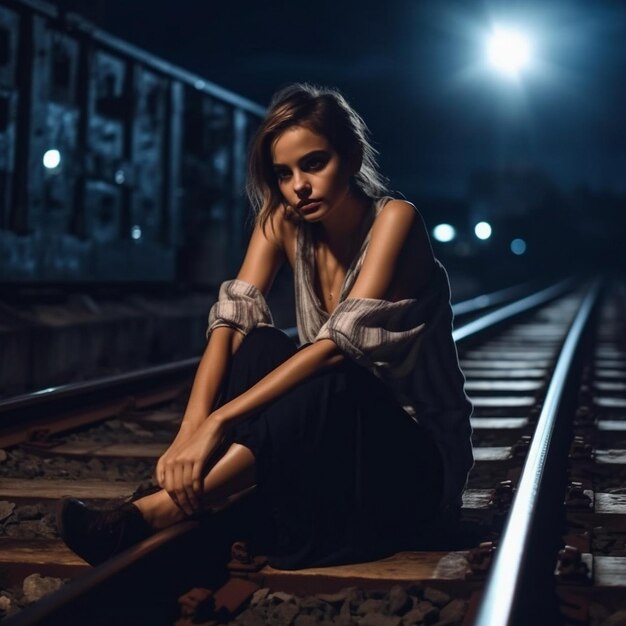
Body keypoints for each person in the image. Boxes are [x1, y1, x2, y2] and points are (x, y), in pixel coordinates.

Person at [57, 83, 473, 569]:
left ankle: (159, 509)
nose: (299, 185)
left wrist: (220, 421)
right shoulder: (283, 221)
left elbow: (340, 346)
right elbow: (231, 319)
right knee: (259, 344)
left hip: (412, 474)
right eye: (283, 173)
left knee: (330, 371)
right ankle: (189, 490)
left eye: (314, 163)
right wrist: (190, 431)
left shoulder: (396, 220)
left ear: (352, 156)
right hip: (336, 454)